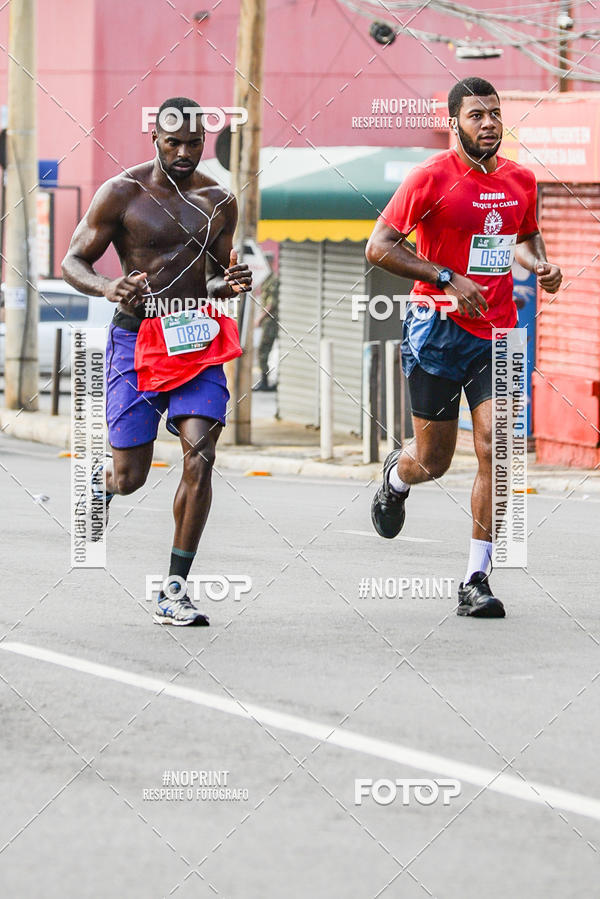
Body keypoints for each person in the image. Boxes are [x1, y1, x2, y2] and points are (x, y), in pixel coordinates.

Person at [366, 77, 561, 618]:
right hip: (438, 329)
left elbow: (523, 235)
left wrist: (539, 265)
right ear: (454, 122)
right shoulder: (429, 178)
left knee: (497, 448)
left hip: (499, 331)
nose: (490, 124)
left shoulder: (521, 179)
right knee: (433, 461)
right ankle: (394, 479)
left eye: (495, 114)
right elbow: (378, 248)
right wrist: (447, 276)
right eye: (477, 116)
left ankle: (476, 578)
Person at [62, 97, 252, 626]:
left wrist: (229, 283)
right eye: (175, 143)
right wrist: (107, 285)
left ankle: (174, 589)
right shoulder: (121, 193)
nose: (186, 152)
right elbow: (73, 259)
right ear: (155, 138)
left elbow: (214, 274)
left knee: (201, 452)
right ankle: (103, 487)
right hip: (136, 339)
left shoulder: (219, 200)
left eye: (195, 143)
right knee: (131, 476)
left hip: (195, 339)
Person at [253, 262, 279, 391]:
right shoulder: (265, 279)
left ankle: (265, 382)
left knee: (263, 351)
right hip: (267, 321)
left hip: (270, 322)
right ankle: (264, 381)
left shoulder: (272, 280)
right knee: (264, 351)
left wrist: (259, 318)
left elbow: (271, 304)